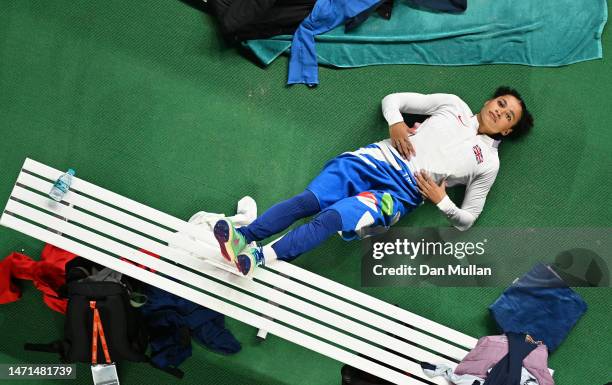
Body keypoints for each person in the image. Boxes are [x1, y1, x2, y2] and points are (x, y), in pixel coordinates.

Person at [214, 87, 534, 276]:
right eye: (501, 104)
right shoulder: (452, 104)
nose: (499, 112)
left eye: (508, 116)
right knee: (308, 202)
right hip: (374, 160)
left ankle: (259, 258)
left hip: (398, 195)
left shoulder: (489, 163)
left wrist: (441, 200)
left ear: (507, 131)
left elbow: (467, 220)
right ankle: (243, 237)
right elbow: (393, 100)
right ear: (491, 100)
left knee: (329, 220)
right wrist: (395, 124)